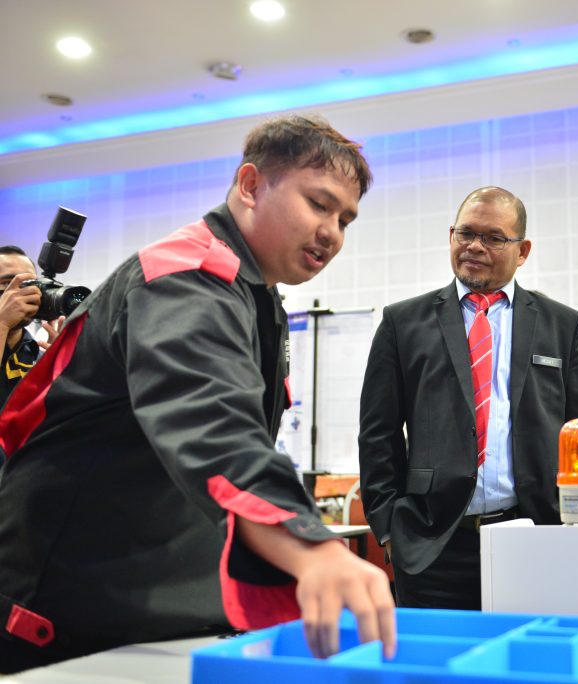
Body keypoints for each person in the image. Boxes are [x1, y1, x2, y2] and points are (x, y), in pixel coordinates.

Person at [0, 114, 396, 673]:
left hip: (158, 606)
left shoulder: (256, 295)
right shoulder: (185, 275)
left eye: (346, 218)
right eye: (318, 203)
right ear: (251, 185)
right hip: (73, 612)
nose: (332, 231)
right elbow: (211, 421)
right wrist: (310, 544)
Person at [358, 186, 578, 610]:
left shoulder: (562, 325)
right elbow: (378, 433)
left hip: (535, 539)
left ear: (522, 251)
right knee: (434, 674)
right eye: (465, 233)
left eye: (493, 237)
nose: (474, 246)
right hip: (433, 545)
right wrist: (389, 528)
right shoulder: (403, 323)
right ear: (450, 235)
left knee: (529, 671)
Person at [0, 246, 62, 407]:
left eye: (31, 284)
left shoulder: (38, 357)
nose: (25, 293)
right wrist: (2, 323)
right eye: (7, 283)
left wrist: (63, 371)